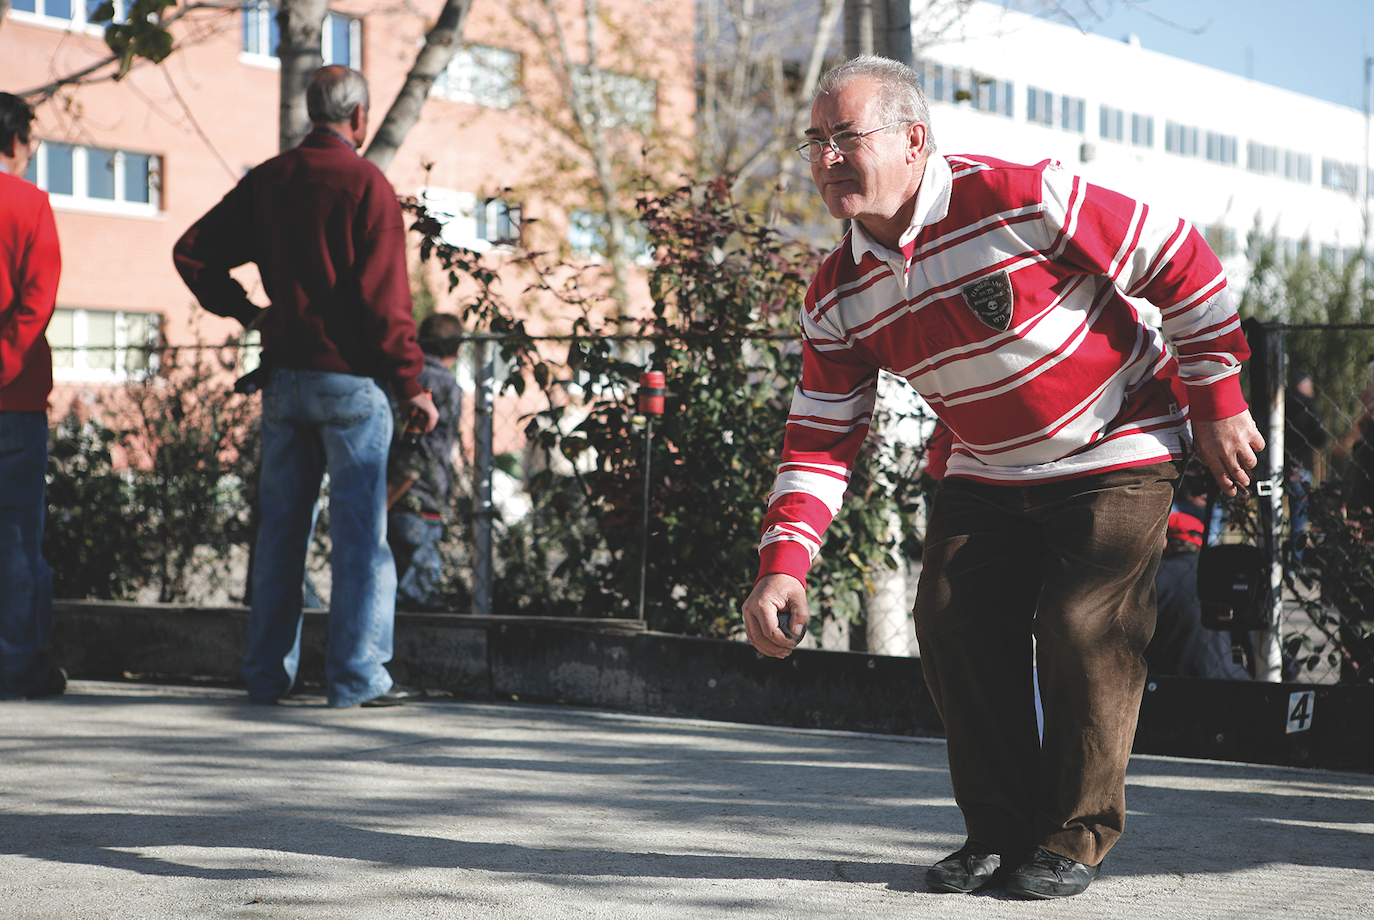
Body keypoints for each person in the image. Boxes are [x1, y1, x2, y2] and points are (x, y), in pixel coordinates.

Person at [741, 56, 1264, 900]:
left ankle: (1073, 834)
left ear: (914, 140)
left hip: (1117, 438)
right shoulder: (837, 292)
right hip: (988, 464)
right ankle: (999, 830)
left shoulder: (1019, 197)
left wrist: (1218, 398)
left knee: (1080, 622)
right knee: (948, 617)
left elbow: (1180, 257)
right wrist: (783, 565)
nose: (828, 157)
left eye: (847, 137)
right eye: (816, 141)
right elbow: (820, 435)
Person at [173, 66, 437, 709]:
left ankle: (266, 675)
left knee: (281, 533)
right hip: (350, 384)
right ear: (361, 118)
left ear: (309, 113)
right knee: (359, 538)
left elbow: (192, 252)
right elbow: (385, 301)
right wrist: (413, 384)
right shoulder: (367, 184)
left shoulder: (269, 178)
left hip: (285, 379)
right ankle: (356, 679)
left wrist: (248, 311)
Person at [0, 92, 66, 701]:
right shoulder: (29, 203)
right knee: (17, 537)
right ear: (17, 141)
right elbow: (37, 299)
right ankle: (17, 665)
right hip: (13, 399)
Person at [387, 311, 463, 611]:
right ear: (457, 350)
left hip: (396, 496)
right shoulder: (447, 386)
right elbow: (422, 451)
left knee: (386, 587)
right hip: (422, 500)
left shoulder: (404, 378)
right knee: (418, 601)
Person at [1144, 511, 1253, 680]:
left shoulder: (1154, 577)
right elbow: (1252, 634)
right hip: (1229, 680)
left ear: (1164, 542)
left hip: (1168, 682)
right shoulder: (1225, 576)